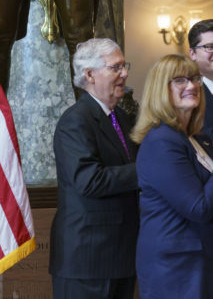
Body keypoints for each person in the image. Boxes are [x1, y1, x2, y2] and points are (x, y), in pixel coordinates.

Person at [132, 54, 213, 298]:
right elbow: (199, 207)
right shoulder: (161, 141)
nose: (192, 85)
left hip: (204, 259)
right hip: (176, 266)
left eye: (195, 78)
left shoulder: (198, 139)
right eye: (180, 80)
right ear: (161, 89)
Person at [49, 38, 138, 299]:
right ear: (89, 74)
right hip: (88, 259)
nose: (125, 73)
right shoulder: (75, 121)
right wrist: (147, 170)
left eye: (124, 66)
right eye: (115, 67)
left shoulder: (121, 117)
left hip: (120, 255)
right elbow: (90, 180)